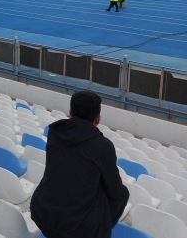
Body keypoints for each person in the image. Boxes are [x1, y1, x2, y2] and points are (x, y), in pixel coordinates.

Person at [30, 91, 129, 238]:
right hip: (79, 230)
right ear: (98, 119)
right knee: (122, 193)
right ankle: (101, 230)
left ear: (70, 112)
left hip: (43, 213)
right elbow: (115, 191)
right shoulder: (103, 146)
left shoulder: (54, 132)